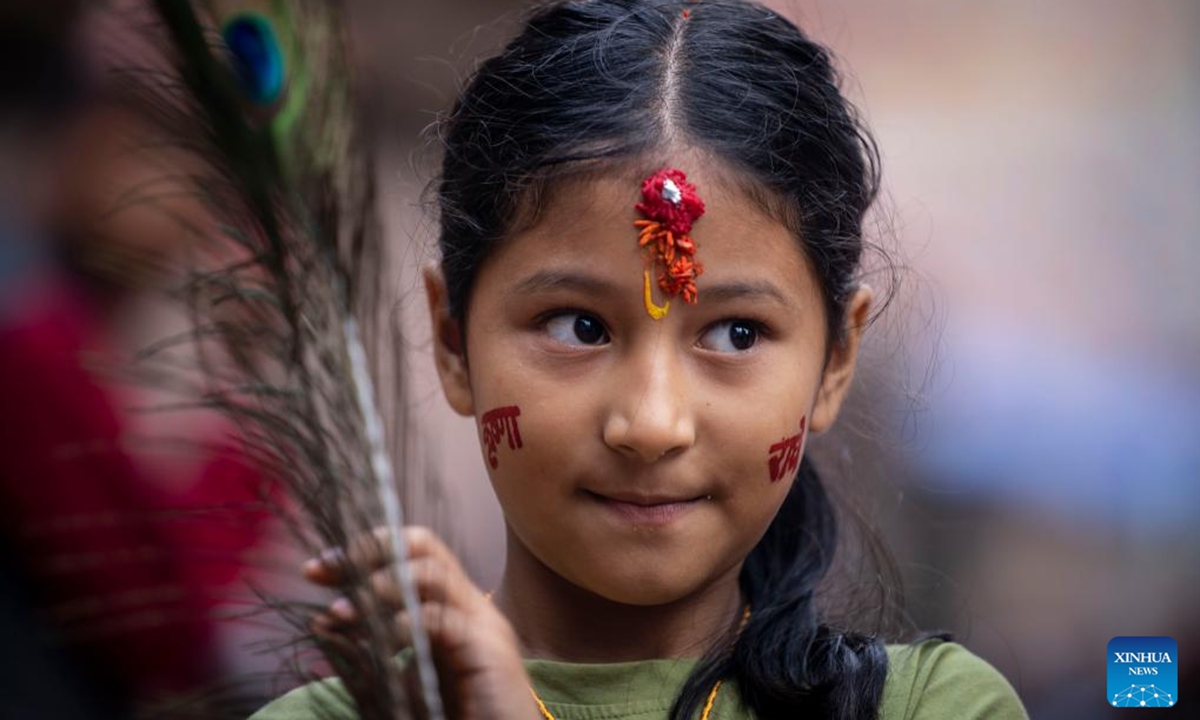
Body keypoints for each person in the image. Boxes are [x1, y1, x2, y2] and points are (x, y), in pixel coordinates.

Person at [253, 0, 1028, 718]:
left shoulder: (932, 707)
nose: (651, 424)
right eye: (580, 326)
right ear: (453, 341)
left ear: (835, 362)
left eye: (736, 335)